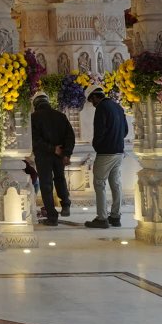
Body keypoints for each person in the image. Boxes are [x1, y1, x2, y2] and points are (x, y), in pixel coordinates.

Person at [83, 87, 130, 230]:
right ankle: (115, 216)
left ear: (95, 97)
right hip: (119, 151)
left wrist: (98, 145)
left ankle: (102, 218)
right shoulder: (118, 106)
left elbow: (99, 131)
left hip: (105, 153)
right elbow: (126, 130)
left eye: (92, 101)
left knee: (99, 184)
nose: (93, 104)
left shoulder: (102, 108)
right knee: (116, 184)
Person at [30, 94, 74, 226]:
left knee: (46, 184)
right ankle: (65, 204)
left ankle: (52, 216)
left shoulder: (33, 118)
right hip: (59, 154)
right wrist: (66, 153)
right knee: (60, 178)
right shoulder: (61, 116)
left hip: (44, 156)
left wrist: (51, 148)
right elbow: (70, 136)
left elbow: (35, 140)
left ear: (36, 105)